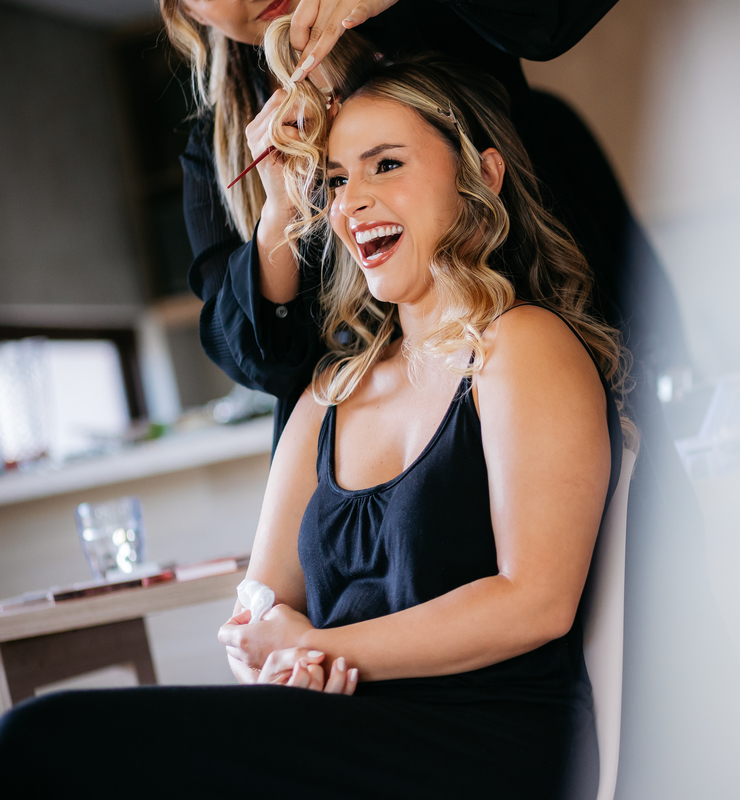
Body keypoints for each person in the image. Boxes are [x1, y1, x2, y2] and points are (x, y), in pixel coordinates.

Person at [0, 33, 628, 798]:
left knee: (42, 739)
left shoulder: (521, 345)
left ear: (482, 175)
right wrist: (276, 661)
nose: (351, 202)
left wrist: (331, 647)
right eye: (333, 181)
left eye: (386, 164)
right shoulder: (330, 391)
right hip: (345, 730)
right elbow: (256, 613)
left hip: (485, 744)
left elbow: (536, 603)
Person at [160, 0, 691, 447]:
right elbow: (259, 359)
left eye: (387, 164)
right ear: (185, 10)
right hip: (374, 455)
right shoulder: (216, 153)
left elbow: (550, 18)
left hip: (546, 386)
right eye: (336, 180)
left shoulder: (435, 23)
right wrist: (279, 211)